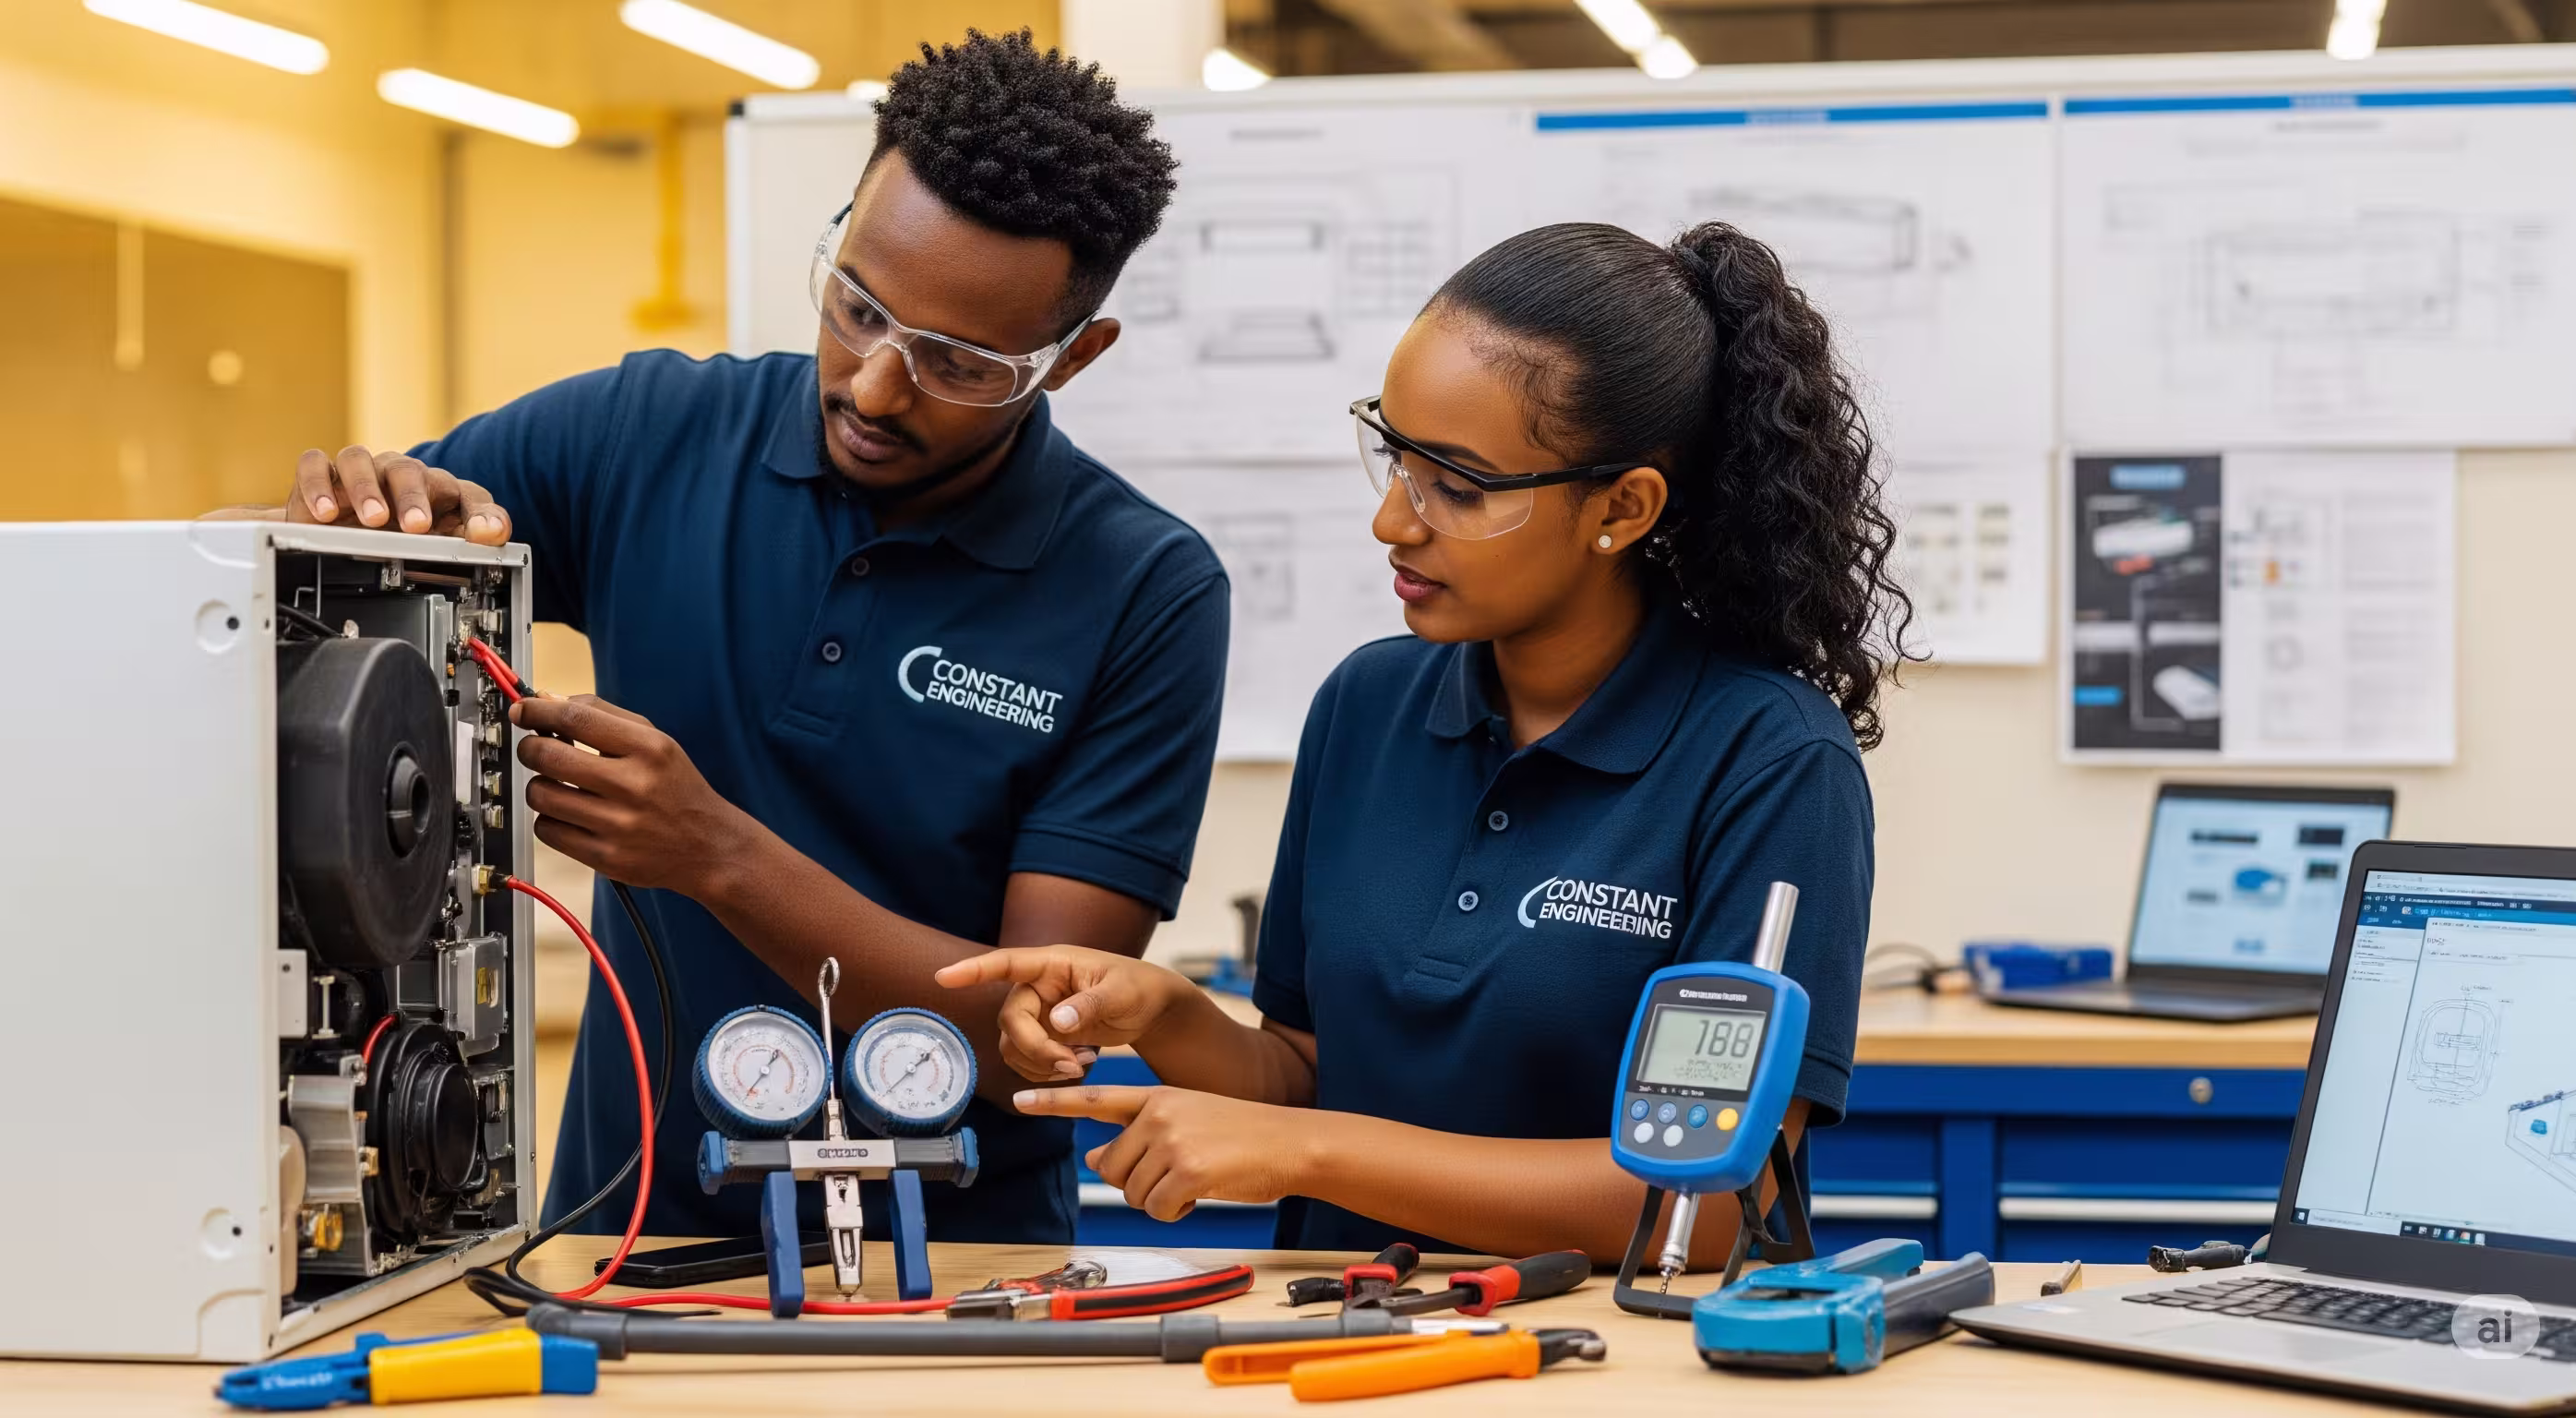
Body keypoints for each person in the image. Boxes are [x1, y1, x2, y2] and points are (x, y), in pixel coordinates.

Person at [211, 30, 1226, 1244]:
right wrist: (308, 521)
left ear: (1072, 361)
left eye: (958, 363)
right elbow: (261, 594)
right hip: (613, 1236)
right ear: (845, 232)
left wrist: (718, 857)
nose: (875, 387)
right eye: (858, 306)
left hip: (956, 1263)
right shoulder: (645, 434)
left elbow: (1031, 1050)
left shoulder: (1145, 589)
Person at [939, 221, 1913, 1263]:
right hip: (1344, 1332)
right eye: (1394, 457)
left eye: (1458, 487)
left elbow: (1711, 1202)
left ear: (1621, 508)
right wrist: (1166, 1015)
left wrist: (1308, 1153)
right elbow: (1307, 1073)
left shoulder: (1769, 761)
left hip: (1612, 1365)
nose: (1394, 523)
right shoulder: (1365, 705)